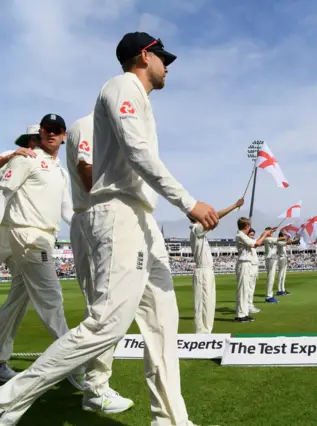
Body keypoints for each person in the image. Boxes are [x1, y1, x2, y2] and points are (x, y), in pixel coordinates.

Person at [0, 32, 219, 426]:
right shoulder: (122, 86)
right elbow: (138, 153)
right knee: (106, 324)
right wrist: (188, 202)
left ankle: (171, 419)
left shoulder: (136, 96)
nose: (167, 66)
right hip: (118, 215)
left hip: (139, 217)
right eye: (162, 58)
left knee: (163, 323)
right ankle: (6, 402)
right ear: (144, 55)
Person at [0, 114, 87, 393]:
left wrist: (87, 228)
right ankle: (73, 366)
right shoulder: (24, 159)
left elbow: (66, 210)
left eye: (55, 130)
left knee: (17, 301)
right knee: (52, 300)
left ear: (63, 135)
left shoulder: (58, 170)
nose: (46, 136)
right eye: (43, 131)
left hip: (42, 237)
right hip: (27, 237)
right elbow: (3, 193)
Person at [66, 111, 134, 413]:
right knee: (105, 308)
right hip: (97, 217)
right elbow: (87, 173)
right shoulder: (89, 126)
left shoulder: (105, 131)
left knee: (102, 307)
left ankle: (88, 378)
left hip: (97, 217)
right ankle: (95, 388)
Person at [0, 125, 61, 383]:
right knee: (44, 297)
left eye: (37, 139)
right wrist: (8, 157)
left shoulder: (46, 166)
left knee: (20, 296)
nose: (34, 145)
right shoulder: (18, 157)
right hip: (8, 232)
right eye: (31, 140)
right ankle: (73, 360)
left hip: (14, 236)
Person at [189, 198, 244, 333]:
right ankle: (202, 336)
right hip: (202, 271)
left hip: (207, 271)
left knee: (208, 304)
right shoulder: (197, 229)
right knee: (203, 304)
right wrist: (234, 206)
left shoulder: (199, 231)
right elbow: (216, 216)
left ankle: (206, 333)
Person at [235, 218, 273, 322]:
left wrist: (265, 233)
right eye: (249, 226)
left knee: (245, 289)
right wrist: (265, 234)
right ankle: (240, 315)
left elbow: (256, 242)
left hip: (246, 264)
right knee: (243, 290)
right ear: (246, 226)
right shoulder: (240, 235)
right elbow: (256, 244)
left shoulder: (242, 236)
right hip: (243, 263)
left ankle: (243, 313)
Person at [276, 230, 298, 296]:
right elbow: (288, 243)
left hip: (284, 258)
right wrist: (296, 239)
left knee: (284, 275)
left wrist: (295, 237)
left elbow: (288, 242)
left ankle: (282, 289)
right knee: (281, 274)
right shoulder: (279, 242)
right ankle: (279, 290)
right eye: (284, 235)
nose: (285, 236)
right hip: (281, 258)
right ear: (280, 236)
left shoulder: (282, 242)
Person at [263, 227, 280, 303]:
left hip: (272, 258)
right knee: (271, 277)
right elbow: (281, 239)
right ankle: (269, 296)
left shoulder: (269, 238)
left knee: (271, 277)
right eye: (271, 232)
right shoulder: (267, 239)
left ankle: (270, 295)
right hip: (270, 258)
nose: (272, 233)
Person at [247, 228, 261, 314]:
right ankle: (249, 306)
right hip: (250, 267)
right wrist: (265, 234)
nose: (252, 236)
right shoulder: (248, 242)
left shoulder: (251, 241)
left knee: (252, 288)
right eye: (251, 235)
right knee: (249, 289)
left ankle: (250, 305)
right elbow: (257, 242)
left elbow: (258, 240)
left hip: (254, 267)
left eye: (253, 235)